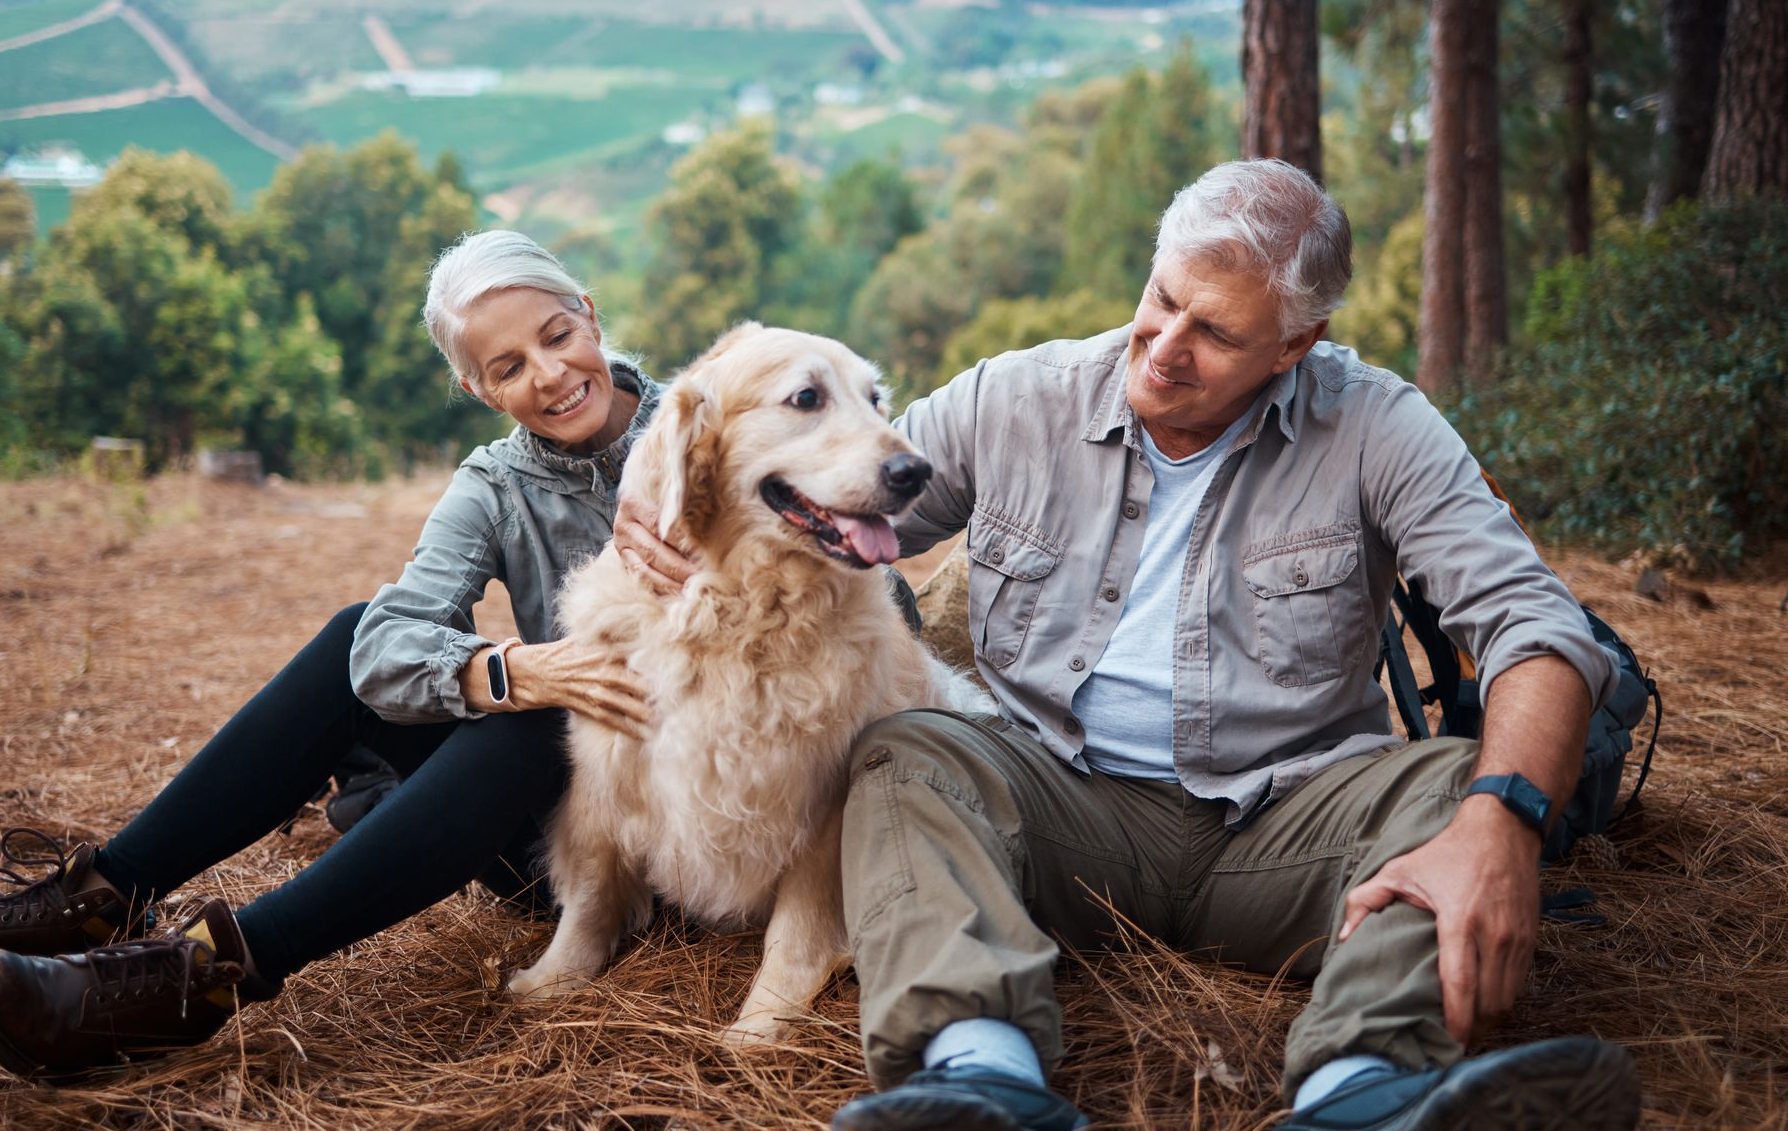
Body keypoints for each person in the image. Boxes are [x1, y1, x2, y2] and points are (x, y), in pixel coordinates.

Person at [617, 160, 1642, 1131]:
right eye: (1163, 297)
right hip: (1057, 818)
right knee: (911, 755)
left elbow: (1536, 627)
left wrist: (1502, 823)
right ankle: (981, 1078)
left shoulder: (1379, 426)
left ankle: (1362, 1089)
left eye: (1216, 332)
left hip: (1291, 827)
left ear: (1296, 344)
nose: (1162, 346)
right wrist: (651, 478)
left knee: (1452, 790)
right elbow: (818, 473)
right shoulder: (1015, 399)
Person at [0, 230, 658, 1076]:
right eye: (505, 368)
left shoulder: (709, 431)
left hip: (688, 840)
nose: (547, 374)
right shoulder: (497, 485)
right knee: (373, 636)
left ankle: (196, 982)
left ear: (589, 314)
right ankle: (97, 900)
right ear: (475, 388)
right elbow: (386, 649)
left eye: (555, 335)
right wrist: (508, 669)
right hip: (560, 847)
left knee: (540, 721)